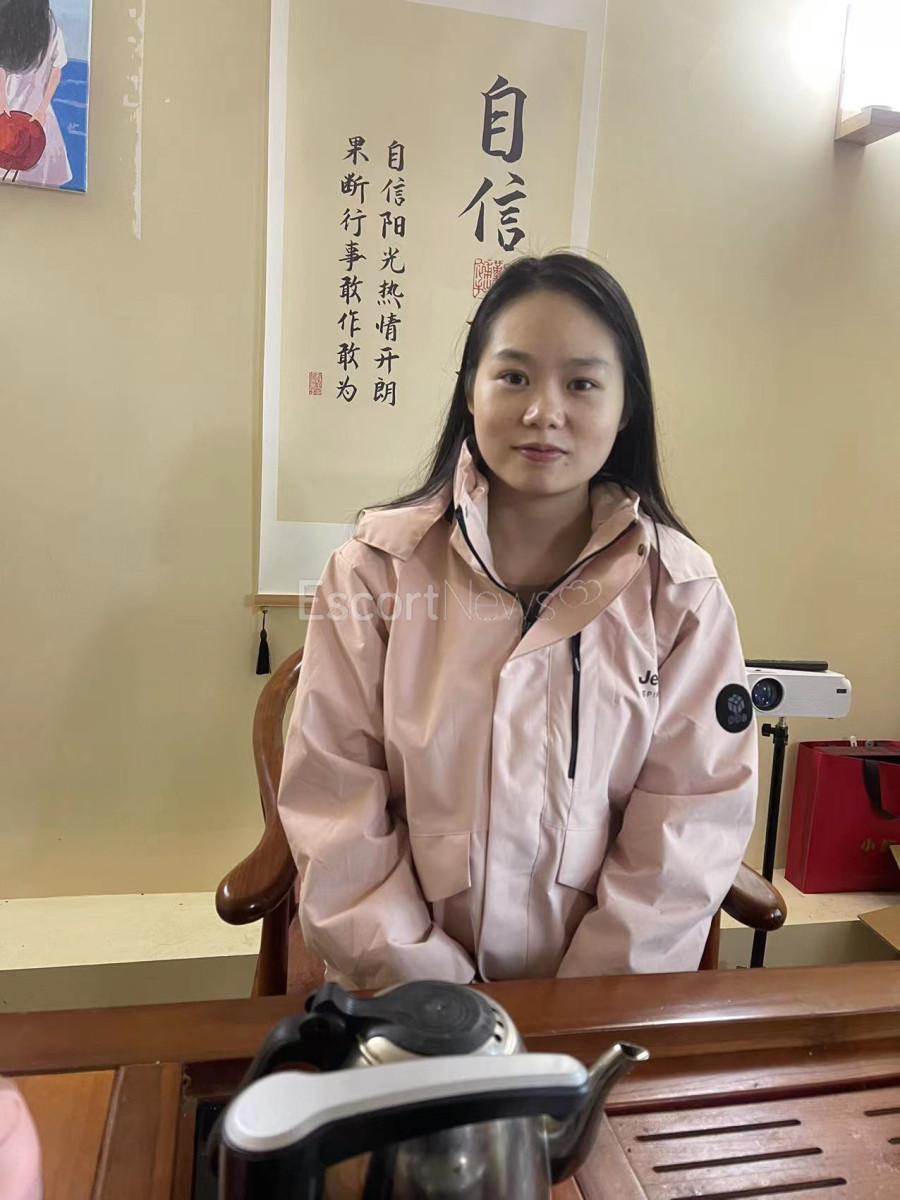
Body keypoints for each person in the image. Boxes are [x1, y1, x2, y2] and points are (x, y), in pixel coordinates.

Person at [277, 252, 758, 990]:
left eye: (582, 383)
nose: (544, 413)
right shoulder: (375, 573)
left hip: (604, 1011)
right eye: (514, 377)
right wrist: (447, 1006)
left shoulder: (680, 595)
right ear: (470, 390)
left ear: (626, 407)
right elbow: (335, 806)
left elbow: (691, 820)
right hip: (411, 1010)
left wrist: (581, 1010)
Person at [0, 0, 72, 188]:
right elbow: (56, 70)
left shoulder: (8, 22)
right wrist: (42, 107)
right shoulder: (50, 28)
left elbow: (55, 71)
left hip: (25, 109)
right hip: (33, 110)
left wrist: (3, 101)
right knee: (41, 179)